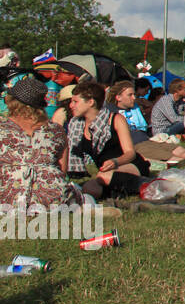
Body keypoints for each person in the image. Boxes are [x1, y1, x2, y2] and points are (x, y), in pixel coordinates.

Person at [0, 74, 81, 210]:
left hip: (8, 198)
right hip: (52, 199)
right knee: (78, 192)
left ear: (11, 100)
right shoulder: (56, 131)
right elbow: (62, 171)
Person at [70, 80, 149, 198]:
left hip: (128, 164)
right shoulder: (76, 124)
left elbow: (130, 153)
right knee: (89, 189)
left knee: (104, 177)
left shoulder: (115, 119)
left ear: (91, 102)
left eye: (75, 102)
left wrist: (115, 162)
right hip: (105, 171)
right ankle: (121, 192)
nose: (71, 105)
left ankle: (146, 184)